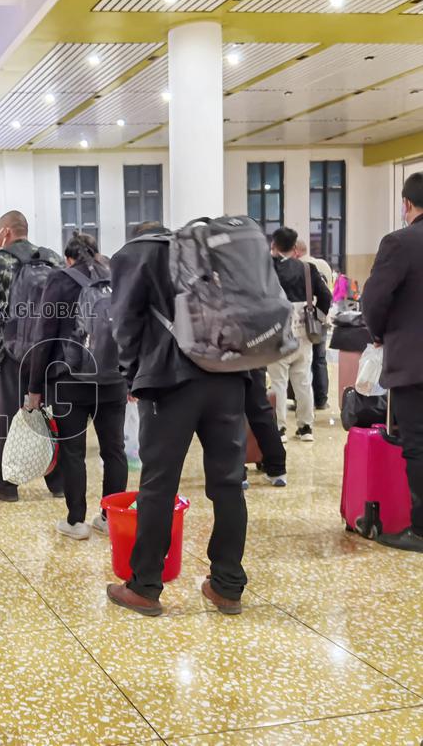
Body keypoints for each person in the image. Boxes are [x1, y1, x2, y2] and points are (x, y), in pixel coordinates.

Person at [107, 221, 249, 617]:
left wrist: (131, 374)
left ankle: (144, 586)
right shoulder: (206, 252)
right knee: (228, 483)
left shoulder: (136, 254)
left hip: (171, 381)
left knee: (159, 484)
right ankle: (227, 585)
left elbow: (124, 323)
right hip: (228, 377)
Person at [26, 234, 128, 538]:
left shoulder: (60, 279)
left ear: (69, 258)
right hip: (113, 379)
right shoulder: (115, 276)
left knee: (73, 451)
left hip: (70, 380)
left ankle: (76, 521)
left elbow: (44, 336)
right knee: (114, 450)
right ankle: (110, 518)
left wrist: (35, 387)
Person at [0, 211, 63, 502]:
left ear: (6, 233)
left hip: (10, 354)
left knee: (10, 417)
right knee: (48, 415)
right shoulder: (52, 259)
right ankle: (58, 481)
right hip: (49, 352)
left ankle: (7, 485)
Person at [361, 172, 423, 553]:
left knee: (417, 443)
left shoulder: (400, 242)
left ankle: (420, 529)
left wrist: (379, 333)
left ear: (407, 204)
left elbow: (373, 299)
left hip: (414, 362)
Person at [267, 227, 332, 442]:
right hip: (304, 332)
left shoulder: (268, 270)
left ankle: (280, 429)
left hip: (277, 332)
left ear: (274, 246)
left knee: (278, 381)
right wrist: (319, 319)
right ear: (295, 247)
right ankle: (306, 428)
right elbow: (325, 296)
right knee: (303, 380)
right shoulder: (308, 269)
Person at [295, 239, 334, 410]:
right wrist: (321, 315)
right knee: (320, 359)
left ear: (296, 250)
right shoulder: (323, 264)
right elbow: (328, 292)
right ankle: (321, 399)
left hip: (305, 320)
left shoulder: (300, 267)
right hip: (321, 318)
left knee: (301, 363)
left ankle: (302, 402)